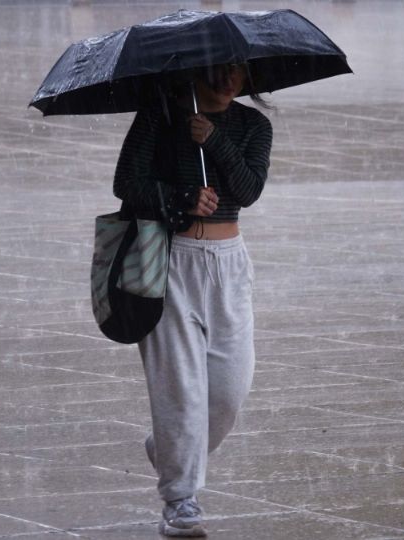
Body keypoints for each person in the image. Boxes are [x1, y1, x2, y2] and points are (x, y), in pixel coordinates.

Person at [113, 63, 273, 537]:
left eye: (238, 73)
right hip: (168, 259)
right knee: (179, 388)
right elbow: (127, 182)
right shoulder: (159, 118)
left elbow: (249, 190)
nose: (228, 82)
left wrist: (214, 141)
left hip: (228, 262)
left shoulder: (253, 126)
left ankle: (169, 449)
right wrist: (181, 195)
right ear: (194, 72)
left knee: (228, 390)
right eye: (218, 72)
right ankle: (180, 500)